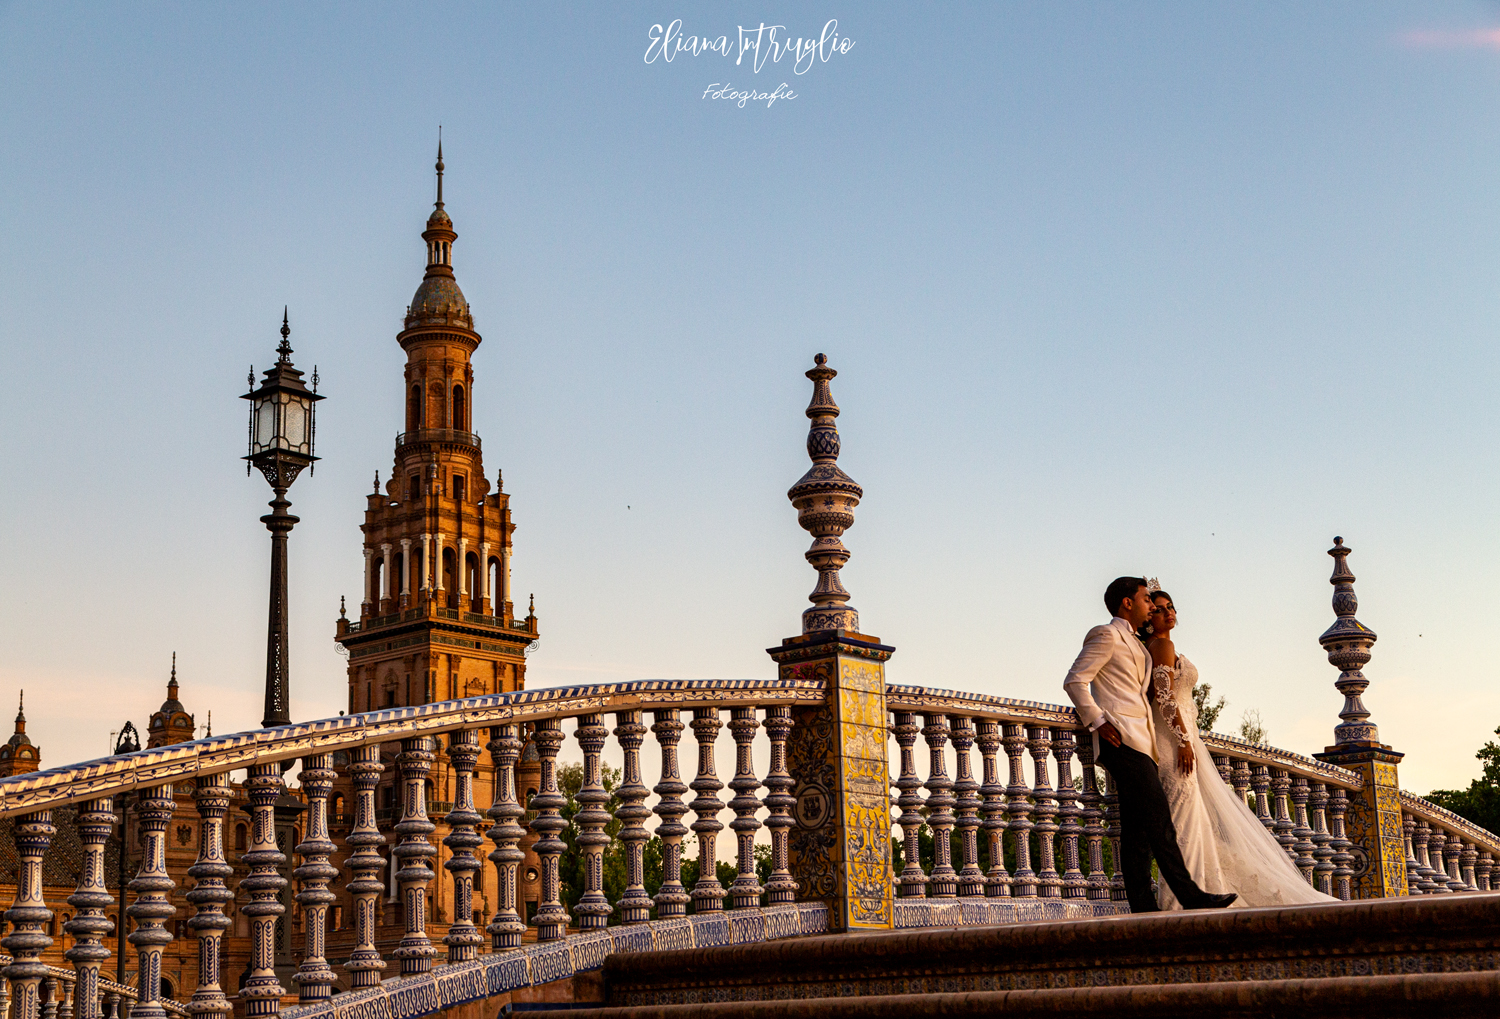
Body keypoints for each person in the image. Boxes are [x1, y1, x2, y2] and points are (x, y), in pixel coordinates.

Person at [1142, 587, 1338, 909]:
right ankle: (1177, 903)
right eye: (1161, 610)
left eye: (1171, 607)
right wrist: (1183, 742)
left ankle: (1194, 894)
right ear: (1150, 620)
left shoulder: (1156, 646)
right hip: (1175, 744)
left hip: (1182, 739)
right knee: (1183, 819)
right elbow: (1163, 698)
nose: (1169, 613)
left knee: (1193, 820)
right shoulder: (1162, 645)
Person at [1063, 576, 1237, 913]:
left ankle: (1142, 905)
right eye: (1146, 600)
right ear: (1127, 603)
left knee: (1137, 831)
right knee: (1159, 820)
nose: (1150, 606)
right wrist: (1097, 720)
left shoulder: (1138, 644)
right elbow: (1075, 679)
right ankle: (1191, 896)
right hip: (1122, 740)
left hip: (1144, 743)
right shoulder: (1106, 634)